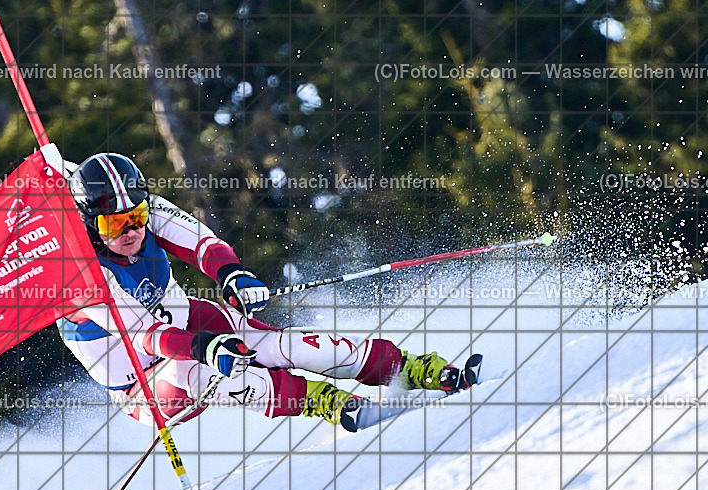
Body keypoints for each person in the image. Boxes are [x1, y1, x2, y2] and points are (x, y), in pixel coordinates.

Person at [56, 152, 470, 432]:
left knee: (290, 346)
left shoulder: (141, 213)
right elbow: (145, 336)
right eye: (114, 225)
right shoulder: (75, 273)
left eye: (137, 217)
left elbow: (203, 244)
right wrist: (206, 348)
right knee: (206, 372)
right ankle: (327, 402)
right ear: (90, 224)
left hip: (191, 323)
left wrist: (233, 275)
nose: (131, 231)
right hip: (146, 384)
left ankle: (413, 369)